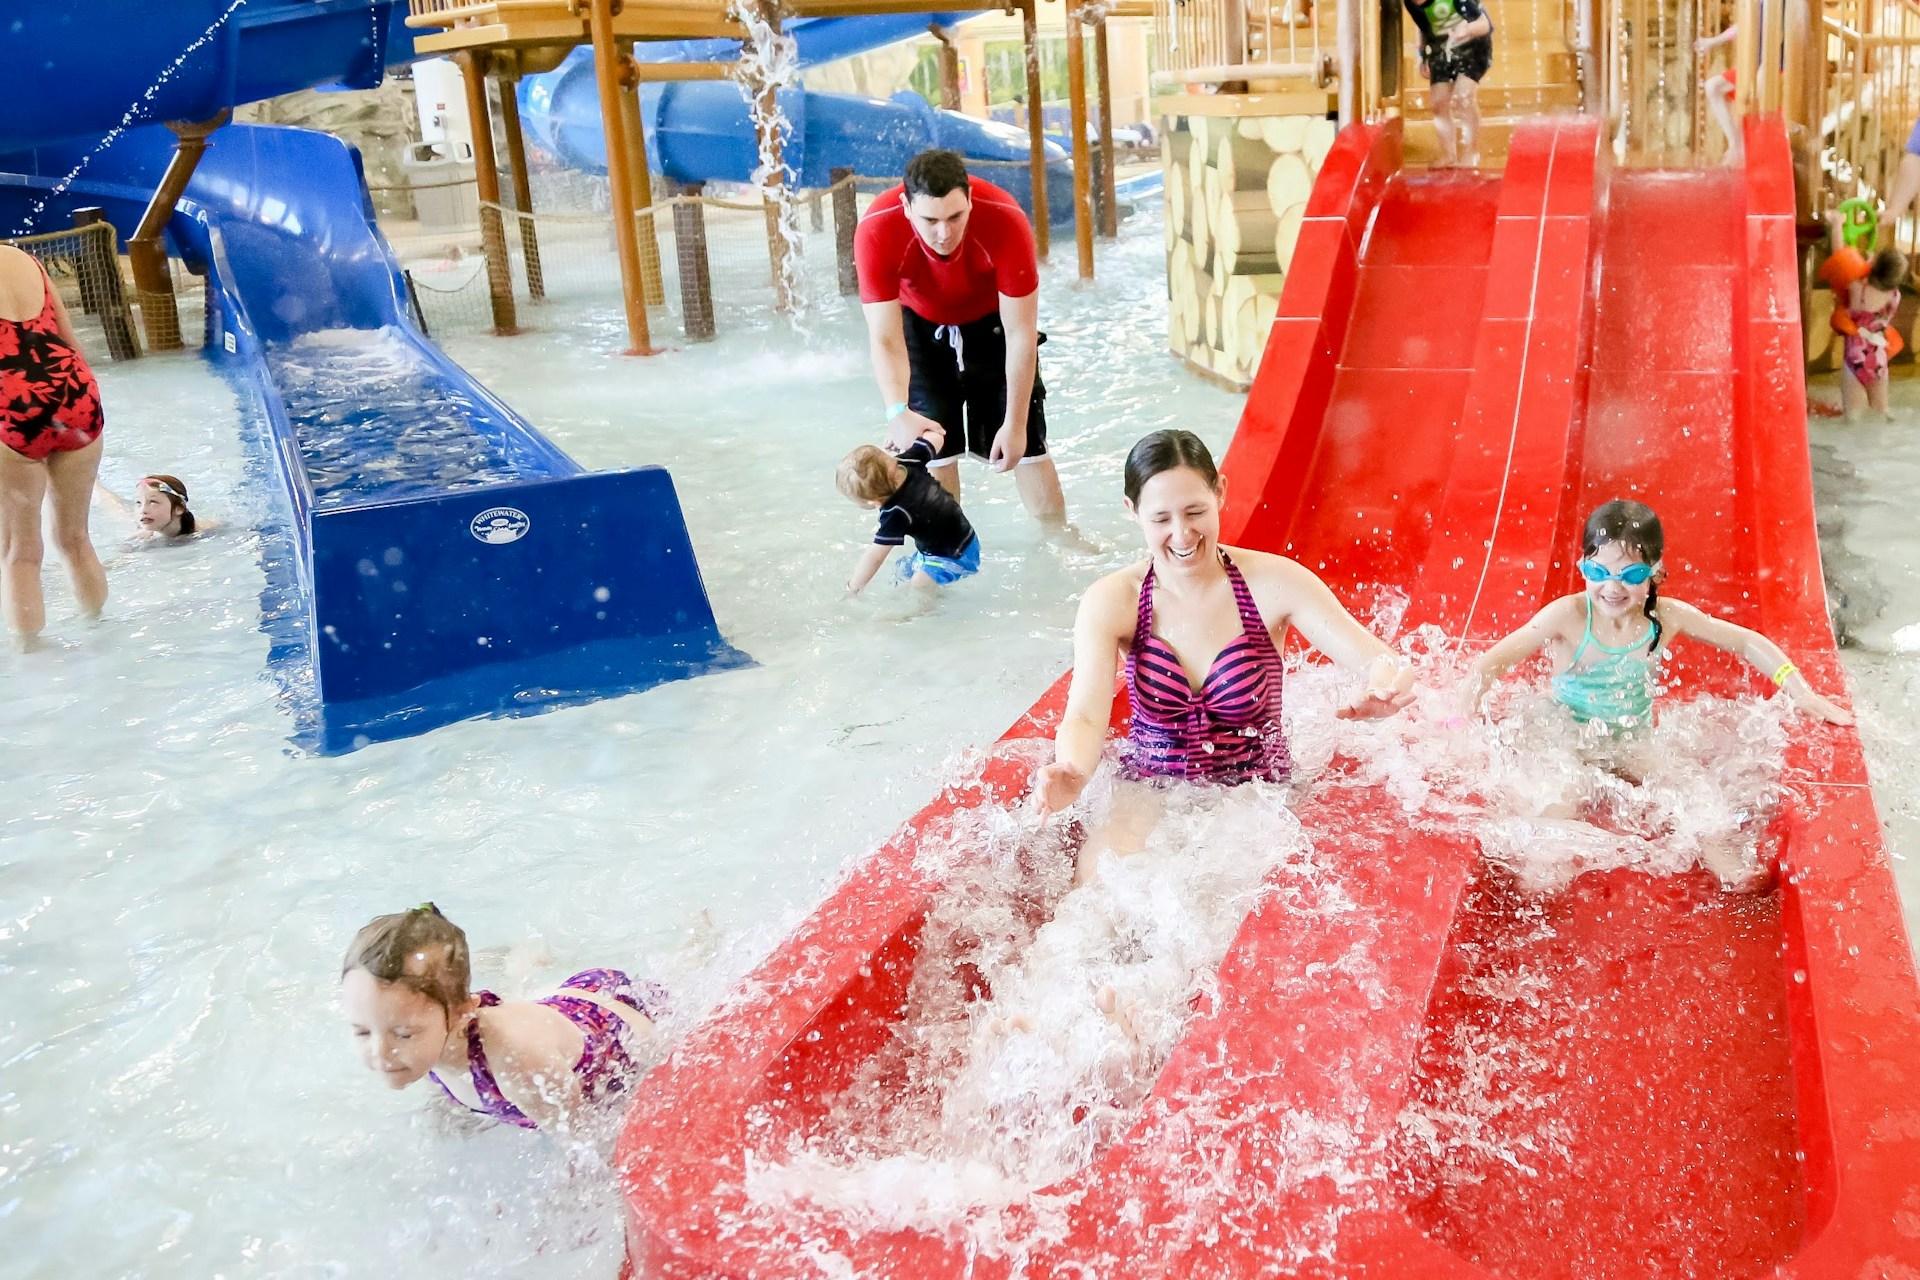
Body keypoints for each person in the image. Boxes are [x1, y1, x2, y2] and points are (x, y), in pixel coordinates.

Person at [1031, 430, 1416, 883]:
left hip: (1257, 794)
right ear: (1132, 512)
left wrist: (1382, 691)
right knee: (1093, 900)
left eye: (1196, 511)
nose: (1182, 534)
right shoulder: (1113, 600)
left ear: (1220, 493)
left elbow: (1384, 661)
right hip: (1150, 789)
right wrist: (1074, 770)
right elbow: (1085, 715)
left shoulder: (1274, 583)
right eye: (1161, 519)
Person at [1456, 500, 1852, 736]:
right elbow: (1492, 663)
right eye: (1598, 573)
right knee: (1555, 820)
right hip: (1569, 737)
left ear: (1655, 574)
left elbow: (1747, 641)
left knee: (1699, 819)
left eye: (1629, 575)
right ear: (1582, 568)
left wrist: (1801, 691)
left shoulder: (1667, 617)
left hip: (1633, 738)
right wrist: (1463, 719)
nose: (1612, 588)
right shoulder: (1568, 616)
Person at [855, 148, 1071, 532]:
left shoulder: (1005, 218)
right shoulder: (876, 228)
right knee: (932, 448)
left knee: (1030, 449)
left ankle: (1059, 540)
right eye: (930, 220)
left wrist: (1016, 423)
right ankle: (945, 548)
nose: (944, 233)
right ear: (906, 206)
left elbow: (1021, 333)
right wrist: (896, 412)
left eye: (956, 216)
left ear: (970, 199)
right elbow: (885, 338)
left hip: (993, 323)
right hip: (919, 323)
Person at [339, 904, 666, 1134]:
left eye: (403, 1034)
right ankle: (526, 958)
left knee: (680, 977)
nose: (382, 1053)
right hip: (553, 1008)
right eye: (363, 1032)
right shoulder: (420, 1028)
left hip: (621, 1032)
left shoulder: (516, 1064)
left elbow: (587, 1145)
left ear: (458, 1016)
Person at [0, 243, 106, 643]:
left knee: (19, 554)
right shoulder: (23, 258)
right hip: (74, 396)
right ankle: (100, 630)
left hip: (11, 404)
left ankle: (34, 663)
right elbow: (68, 337)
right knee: (75, 539)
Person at [837, 423, 981, 594]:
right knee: (904, 571)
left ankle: (920, 614)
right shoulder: (908, 460)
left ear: (875, 502)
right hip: (963, 538)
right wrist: (917, 430)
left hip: (956, 556)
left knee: (918, 586)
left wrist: (852, 588)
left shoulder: (895, 513)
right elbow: (936, 437)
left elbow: (875, 556)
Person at [1824, 220, 1906, 422]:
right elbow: (1882, 277)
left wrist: (1837, 224)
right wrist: (1873, 265)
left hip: (1856, 359)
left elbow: (1839, 256)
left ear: (1873, 265)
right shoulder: (1894, 295)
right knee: (1882, 410)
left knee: (1852, 417)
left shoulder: (1857, 289)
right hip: (1878, 358)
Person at [1404, 0, 1496, 167]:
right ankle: (1448, 154)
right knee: (1439, 102)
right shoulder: (1411, 4)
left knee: (1463, 97)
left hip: (1473, 44)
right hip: (1441, 46)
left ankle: (1471, 151)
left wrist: (1466, 30)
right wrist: (1422, 55)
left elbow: (1484, 25)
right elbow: (1424, 27)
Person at [96, 473, 202, 541]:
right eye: (138, 502)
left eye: (153, 502)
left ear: (179, 508)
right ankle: (95, 484)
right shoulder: (141, 539)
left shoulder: (203, 531)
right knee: (118, 510)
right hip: (140, 528)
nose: (143, 510)